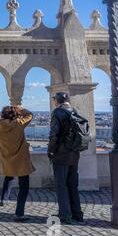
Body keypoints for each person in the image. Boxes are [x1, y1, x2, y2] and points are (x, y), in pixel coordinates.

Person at [48, 92, 85, 224]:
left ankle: (65, 214)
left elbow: (54, 134)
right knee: (72, 184)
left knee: (61, 185)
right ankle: (77, 214)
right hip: (74, 153)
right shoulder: (75, 111)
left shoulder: (57, 112)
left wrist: (51, 151)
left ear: (57, 101)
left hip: (61, 154)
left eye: (54, 100)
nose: (54, 102)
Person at [0, 105, 35, 222]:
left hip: (7, 156)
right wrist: (20, 109)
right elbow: (30, 115)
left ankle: (4, 199)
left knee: (9, 176)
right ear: (15, 115)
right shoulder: (18, 124)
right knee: (24, 186)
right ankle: (19, 213)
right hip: (21, 158)